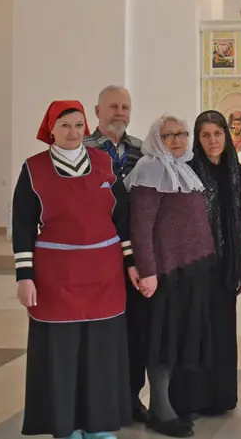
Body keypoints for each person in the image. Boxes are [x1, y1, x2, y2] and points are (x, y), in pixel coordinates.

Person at [11, 100, 134, 439]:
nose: (73, 132)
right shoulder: (33, 168)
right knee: (61, 356)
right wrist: (25, 277)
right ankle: (66, 426)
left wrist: (132, 263)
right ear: (51, 129)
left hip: (104, 274)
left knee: (100, 354)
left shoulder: (104, 163)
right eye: (65, 125)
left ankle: (99, 425)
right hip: (57, 277)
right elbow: (22, 226)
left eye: (79, 125)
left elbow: (122, 218)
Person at [126, 115, 216, 438]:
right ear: (156, 138)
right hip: (165, 273)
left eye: (182, 134)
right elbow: (140, 226)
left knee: (179, 339)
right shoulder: (150, 170)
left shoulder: (183, 167)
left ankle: (170, 405)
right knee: (162, 342)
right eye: (169, 135)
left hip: (190, 270)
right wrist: (148, 271)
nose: (177, 140)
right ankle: (161, 412)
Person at [171, 110, 241, 419]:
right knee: (192, 332)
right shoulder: (187, 170)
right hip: (194, 267)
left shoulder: (239, 172)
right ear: (198, 139)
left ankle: (219, 397)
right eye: (205, 135)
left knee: (220, 330)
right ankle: (189, 399)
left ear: (226, 136)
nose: (213, 140)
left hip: (224, 266)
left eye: (217, 134)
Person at [82, 85, 147, 424]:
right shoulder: (82, 149)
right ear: (97, 112)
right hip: (98, 254)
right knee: (101, 331)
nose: (120, 112)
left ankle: (133, 398)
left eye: (125, 106)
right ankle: (100, 399)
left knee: (136, 330)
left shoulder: (142, 150)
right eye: (113, 107)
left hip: (136, 254)